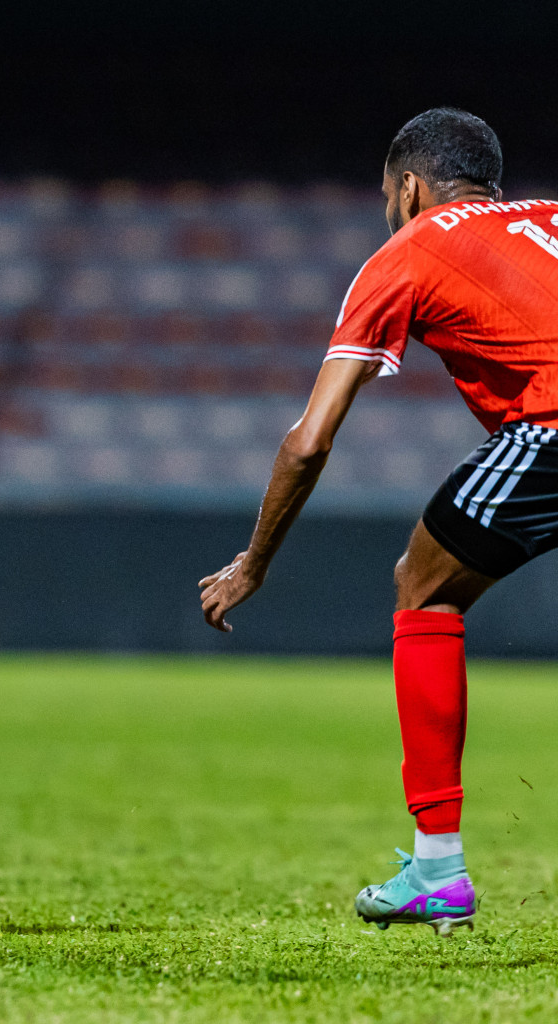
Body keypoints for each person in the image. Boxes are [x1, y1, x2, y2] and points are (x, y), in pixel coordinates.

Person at [199, 107, 558, 936]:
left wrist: (254, 562)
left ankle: (437, 870)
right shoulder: (545, 218)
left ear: (408, 187)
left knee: (423, 589)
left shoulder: (407, 250)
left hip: (549, 425)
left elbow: (309, 440)